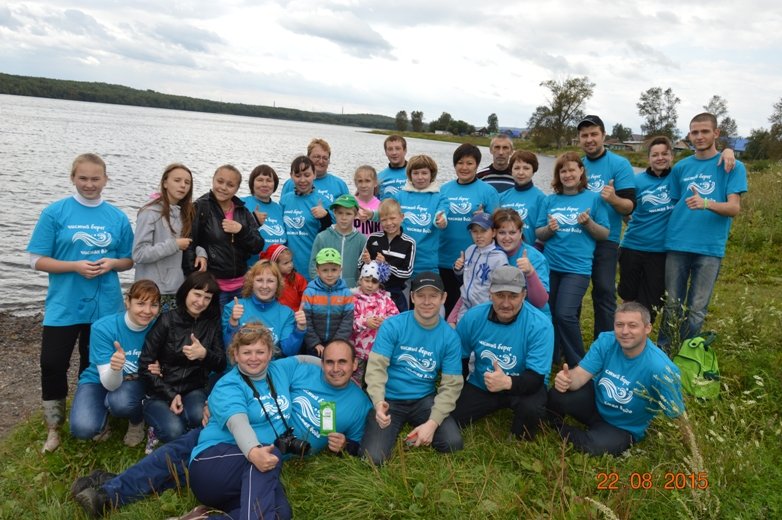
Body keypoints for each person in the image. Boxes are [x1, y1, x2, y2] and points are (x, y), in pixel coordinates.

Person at [70, 338, 371, 518]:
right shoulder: (306, 369)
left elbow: (360, 448)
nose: (334, 368)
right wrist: (216, 402)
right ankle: (108, 494)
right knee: (178, 454)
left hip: (265, 451)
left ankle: (117, 486)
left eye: (342, 362)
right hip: (230, 434)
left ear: (355, 364)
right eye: (328, 361)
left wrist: (345, 445)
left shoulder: (358, 404)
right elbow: (253, 373)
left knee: (279, 510)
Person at [27, 152, 134, 452]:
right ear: (73, 178)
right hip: (64, 303)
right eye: (83, 178)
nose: (89, 184)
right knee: (52, 363)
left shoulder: (116, 217)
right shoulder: (55, 212)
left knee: (94, 363)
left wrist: (113, 263)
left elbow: (128, 259)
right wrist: (74, 266)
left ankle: (97, 417)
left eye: (95, 178)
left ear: (105, 180)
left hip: (105, 304)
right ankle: (54, 426)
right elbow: (36, 260)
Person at [658, 113, 747, 350]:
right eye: (694, 132)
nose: (699, 136)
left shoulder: (732, 166)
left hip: (709, 248)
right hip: (677, 243)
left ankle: (687, 354)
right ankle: (664, 352)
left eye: (705, 131)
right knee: (672, 305)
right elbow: (673, 204)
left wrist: (706, 203)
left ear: (716, 133)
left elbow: (734, 208)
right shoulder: (681, 167)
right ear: (689, 135)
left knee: (697, 309)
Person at [547, 302, 685, 456]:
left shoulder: (662, 369)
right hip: (595, 404)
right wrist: (567, 380)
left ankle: (564, 431)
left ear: (647, 328)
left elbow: (677, 414)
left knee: (595, 447)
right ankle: (551, 423)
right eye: (619, 325)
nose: (625, 331)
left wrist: (688, 446)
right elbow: (580, 374)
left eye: (632, 325)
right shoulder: (606, 341)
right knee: (557, 393)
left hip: (623, 426)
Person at [361, 272, 464, 465]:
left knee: (453, 443)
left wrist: (432, 424)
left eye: (433, 296)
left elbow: (451, 386)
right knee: (373, 459)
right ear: (412, 297)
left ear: (443, 298)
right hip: (389, 398)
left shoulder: (450, 337)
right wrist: (378, 403)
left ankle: (421, 428)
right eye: (421, 295)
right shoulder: (393, 325)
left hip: (423, 399)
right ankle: (385, 424)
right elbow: (376, 368)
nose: (427, 301)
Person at [451, 266, 553, 439]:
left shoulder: (540, 325)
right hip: (483, 383)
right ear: (490, 293)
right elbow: (459, 358)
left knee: (530, 413)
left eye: (513, 296)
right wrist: (456, 389)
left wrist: (507, 382)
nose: (506, 303)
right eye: (500, 295)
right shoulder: (474, 317)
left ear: (524, 294)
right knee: (453, 418)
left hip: (525, 384)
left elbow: (536, 378)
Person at [536, 152, 609, 366]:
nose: (567, 174)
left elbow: (604, 233)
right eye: (563, 170)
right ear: (558, 175)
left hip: (577, 269)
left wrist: (588, 224)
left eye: (571, 170)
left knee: (564, 313)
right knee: (549, 314)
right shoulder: (550, 200)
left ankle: (580, 362)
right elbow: (539, 234)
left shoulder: (594, 199)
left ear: (581, 172)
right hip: (550, 267)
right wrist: (549, 229)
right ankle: (553, 356)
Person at [69, 280, 161, 447]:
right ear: (127, 302)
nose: (147, 311)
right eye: (140, 303)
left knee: (121, 402)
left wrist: (162, 367)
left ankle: (136, 420)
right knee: (83, 429)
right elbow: (109, 383)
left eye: (153, 305)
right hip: (100, 379)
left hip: (135, 380)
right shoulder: (102, 328)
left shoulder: (160, 327)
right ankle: (102, 419)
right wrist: (114, 367)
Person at [139, 272, 226, 443]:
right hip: (160, 390)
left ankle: (184, 422)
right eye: (197, 294)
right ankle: (157, 427)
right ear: (186, 292)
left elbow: (221, 364)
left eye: (207, 298)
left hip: (194, 389)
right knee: (174, 431)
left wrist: (204, 355)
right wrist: (170, 394)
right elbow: (145, 364)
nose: (200, 302)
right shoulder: (167, 320)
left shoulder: (211, 323)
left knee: (200, 419)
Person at [577, 115, 636, 337]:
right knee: (573, 292)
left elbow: (629, 206)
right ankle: (564, 343)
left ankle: (604, 343)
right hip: (576, 238)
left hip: (606, 240)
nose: (589, 139)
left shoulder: (620, 164)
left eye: (594, 134)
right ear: (579, 139)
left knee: (604, 291)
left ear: (604, 135)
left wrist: (613, 199)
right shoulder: (576, 164)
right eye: (584, 135)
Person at [184, 164, 264, 307]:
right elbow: (189, 243)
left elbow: (257, 245)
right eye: (220, 181)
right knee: (214, 328)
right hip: (212, 286)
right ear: (213, 180)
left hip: (241, 286)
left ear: (237, 189)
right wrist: (195, 280)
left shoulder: (242, 211)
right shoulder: (201, 207)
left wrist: (241, 231)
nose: (223, 187)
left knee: (237, 327)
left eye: (230, 185)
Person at [617, 136, 676, 323]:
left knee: (652, 301)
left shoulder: (678, 179)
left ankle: (642, 337)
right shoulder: (637, 181)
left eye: (664, 154)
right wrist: (631, 220)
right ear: (648, 158)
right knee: (628, 296)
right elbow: (623, 207)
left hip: (660, 251)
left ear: (672, 156)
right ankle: (625, 332)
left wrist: (727, 151)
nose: (660, 158)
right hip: (632, 246)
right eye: (655, 154)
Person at [439, 143, 500, 315]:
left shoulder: (488, 191)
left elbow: (496, 226)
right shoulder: (444, 189)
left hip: (474, 260)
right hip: (444, 258)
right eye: (460, 163)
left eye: (469, 163)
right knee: (444, 306)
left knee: (467, 309)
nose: (464, 167)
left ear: (477, 165)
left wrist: (484, 217)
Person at [133, 163, 200, 312]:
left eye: (187, 182)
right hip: (150, 292)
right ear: (165, 183)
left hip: (176, 289)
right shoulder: (149, 212)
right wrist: (174, 245)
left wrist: (201, 253)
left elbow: (192, 241)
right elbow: (139, 253)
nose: (182, 185)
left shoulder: (185, 214)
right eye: (177, 180)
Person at [223, 259, 307, 357]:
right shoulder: (233, 308)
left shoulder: (286, 313)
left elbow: (288, 352)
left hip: (271, 369)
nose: (264, 286)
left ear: (278, 285)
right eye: (259, 280)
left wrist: (300, 330)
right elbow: (229, 349)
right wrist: (233, 323)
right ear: (251, 282)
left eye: (270, 281)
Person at [391, 154, 447, 277]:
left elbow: (442, 212)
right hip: (400, 260)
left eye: (424, 173)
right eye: (415, 173)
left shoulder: (439, 197)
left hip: (426, 263)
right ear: (410, 175)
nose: (420, 177)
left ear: (431, 175)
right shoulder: (400, 196)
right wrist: (372, 214)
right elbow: (387, 213)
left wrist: (441, 220)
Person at [279, 156, 333, 279]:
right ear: (291, 176)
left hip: (311, 265)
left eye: (307, 175)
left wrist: (325, 217)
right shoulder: (285, 200)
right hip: (287, 267)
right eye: (298, 176)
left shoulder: (323, 201)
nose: (302, 180)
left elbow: (332, 235)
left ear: (314, 175)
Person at [360, 198, 416, 313]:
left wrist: (386, 265)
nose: (389, 223)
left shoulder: (409, 243)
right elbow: (360, 264)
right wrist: (367, 262)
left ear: (401, 217)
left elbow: (407, 272)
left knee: (398, 326)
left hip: (395, 294)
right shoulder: (373, 238)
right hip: (372, 292)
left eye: (392, 218)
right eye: (384, 220)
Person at [450, 212, 508, 322]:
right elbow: (465, 280)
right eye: (474, 231)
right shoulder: (470, 250)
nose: (479, 235)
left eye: (483, 231)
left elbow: (501, 289)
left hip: (485, 312)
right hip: (464, 308)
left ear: (494, 232)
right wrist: (459, 269)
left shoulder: (500, 258)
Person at [492, 208, 550, 314]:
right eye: (502, 232)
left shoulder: (535, 258)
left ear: (520, 233)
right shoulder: (490, 253)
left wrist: (530, 273)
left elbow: (540, 302)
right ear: (494, 233)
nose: (507, 237)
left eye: (512, 232)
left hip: (532, 316)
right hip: (502, 314)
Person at [351, 261, 399, 385]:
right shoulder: (354, 300)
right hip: (358, 350)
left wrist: (385, 322)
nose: (370, 285)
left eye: (374, 282)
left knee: (376, 380)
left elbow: (397, 319)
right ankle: (356, 400)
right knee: (356, 379)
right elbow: (349, 322)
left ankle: (375, 401)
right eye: (367, 280)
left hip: (379, 350)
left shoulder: (386, 300)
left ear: (379, 283)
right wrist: (365, 322)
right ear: (360, 280)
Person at [301, 248, 354, 357]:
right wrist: (314, 342)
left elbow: (347, 321)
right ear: (317, 270)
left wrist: (336, 342)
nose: (329, 274)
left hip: (337, 344)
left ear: (340, 269)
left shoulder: (346, 293)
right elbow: (306, 320)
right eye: (325, 270)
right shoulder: (310, 292)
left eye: (334, 270)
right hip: (315, 346)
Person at [308, 193, 367, 287]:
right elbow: (313, 267)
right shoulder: (322, 237)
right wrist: (323, 285)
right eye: (340, 213)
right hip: (326, 291)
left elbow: (365, 267)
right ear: (334, 213)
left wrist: (358, 286)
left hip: (351, 291)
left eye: (348, 214)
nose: (344, 218)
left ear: (355, 215)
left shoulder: (362, 240)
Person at [280, 138, 349, 205]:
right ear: (307, 157)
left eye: (325, 158)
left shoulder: (340, 185)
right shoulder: (291, 183)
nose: (321, 161)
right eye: (317, 157)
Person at [498, 150, 547, 245]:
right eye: (516, 168)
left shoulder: (541, 199)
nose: (521, 172)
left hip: (528, 254)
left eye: (526, 168)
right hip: (503, 254)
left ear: (533, 171)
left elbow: (543, 233)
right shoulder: (502, 197)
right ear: (511, 170)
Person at [242, 164, 287, 259]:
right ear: (252, 183)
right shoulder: (242, 203)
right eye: (260, 180)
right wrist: (253, 220)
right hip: (251, 269)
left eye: (269, 180)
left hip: (276, 269)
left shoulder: (279, 208)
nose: (265, 184)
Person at [261, 244, 308, 312]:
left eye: (291, 261)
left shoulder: (298, 279)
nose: (290, 265)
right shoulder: (269, 281)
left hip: (295, 316)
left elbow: (306, 298)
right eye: (286, 263)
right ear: (274, 264)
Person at [353, 164, 382, 236]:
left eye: (367, 181)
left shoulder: (381, 205)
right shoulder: (350, 203)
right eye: (360, 181)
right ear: (356, 183)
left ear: (375, 183)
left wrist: (372, 215)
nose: (363, 185)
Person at [377, 134, 409, 200]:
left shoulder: (416, 173)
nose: (394, 153)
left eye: (398, 149)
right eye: (390, 149)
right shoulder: (379, 177)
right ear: (386, 152)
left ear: (405, 151)